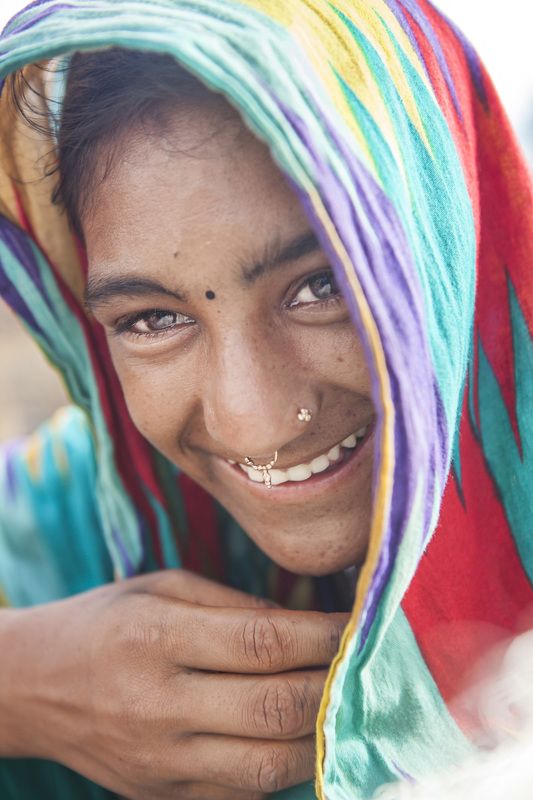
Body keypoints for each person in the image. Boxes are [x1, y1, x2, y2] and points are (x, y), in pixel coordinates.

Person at [0, 1, 531, 799]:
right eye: (154, 318)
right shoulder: (84, 519)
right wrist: (23, 684)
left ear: (443, 237)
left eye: (322, 286)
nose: (252, 420)